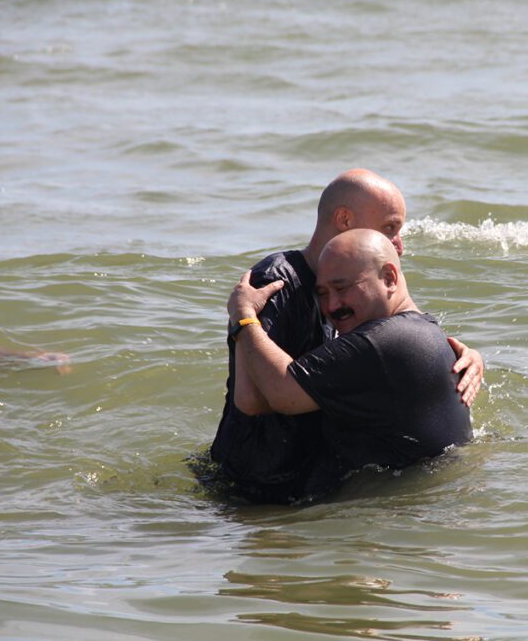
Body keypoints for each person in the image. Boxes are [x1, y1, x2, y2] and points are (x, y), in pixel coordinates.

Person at [207, 168, 483, 503]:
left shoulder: (366, 301)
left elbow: (387, 341)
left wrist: (452, 353)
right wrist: (243, 318)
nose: (399, 244)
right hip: (258, 486)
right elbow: (252, 399)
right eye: (390, 228)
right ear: (344, 219)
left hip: (306, 484)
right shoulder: (274, 282)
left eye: (339, 289)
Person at [227, 228, 473, 481]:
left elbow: (281, 392)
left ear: (389, 277)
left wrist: (243, 317)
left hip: (395, 508)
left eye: (342, 288)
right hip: (426, 498)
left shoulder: (377, 343)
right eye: (322, 293)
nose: (332, 306)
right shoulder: (425, 330)